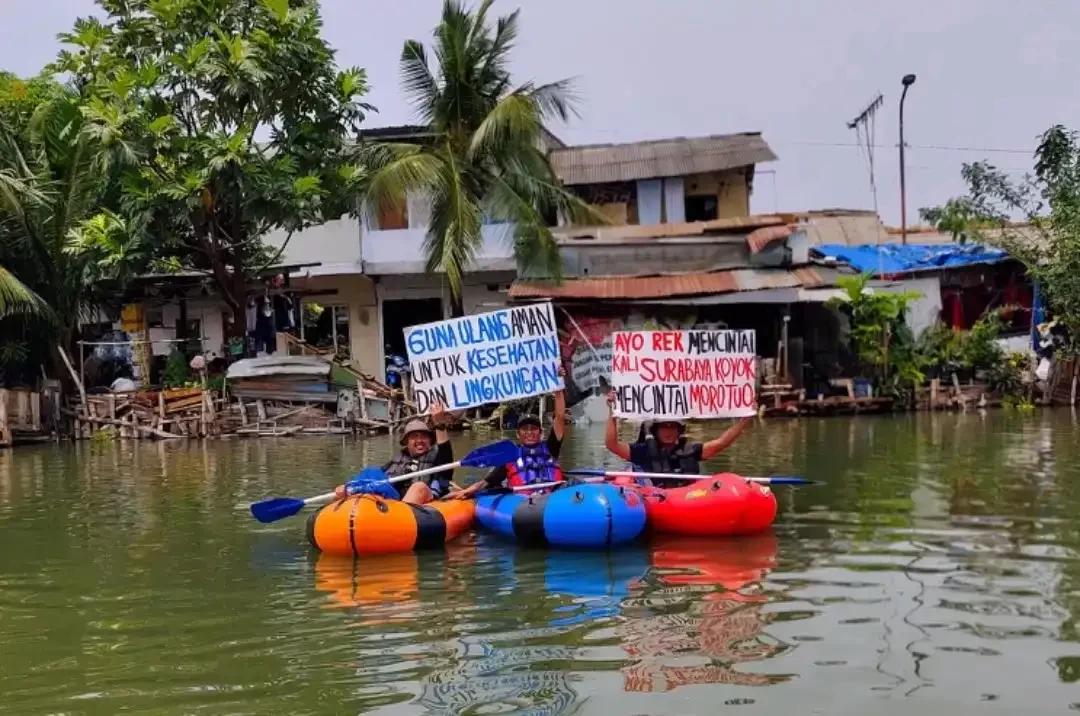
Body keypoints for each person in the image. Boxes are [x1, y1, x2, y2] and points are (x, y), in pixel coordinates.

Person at [451, 371, 567, 498]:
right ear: (518, 434)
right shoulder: (509, 455)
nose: (529, 432)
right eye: (525, 429)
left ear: (541, 432)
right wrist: (466, 491)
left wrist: (558, 388)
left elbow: (560, 417)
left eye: (533, 428)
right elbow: (487, 482)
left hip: (555, 498)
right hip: (524, 503)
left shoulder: (551, 447)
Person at [604, 390, 753, 486]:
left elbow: (721, 443)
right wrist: (612, 411)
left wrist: (744, 420)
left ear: (679, 431)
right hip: (655, 499)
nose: (668, 431)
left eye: (672, 427)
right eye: (664, 427)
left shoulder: (690, 450)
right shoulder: (642, 451)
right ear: (655, 431)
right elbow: (612, 444)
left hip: (688, 499)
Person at [336, 403, 455, 505]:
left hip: (426, 503)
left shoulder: (437, 458)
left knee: (419, 487)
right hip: (395, 502)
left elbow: (446, 456)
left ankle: (398, 520)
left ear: (430, 441)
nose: (419, 440)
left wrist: (439, 425)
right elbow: (378, 479)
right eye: (414, 437)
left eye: (424, 436)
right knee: (370, 473)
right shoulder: (397, 460)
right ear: (406, 443)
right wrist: (349, 487)